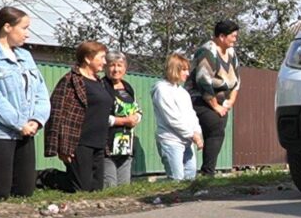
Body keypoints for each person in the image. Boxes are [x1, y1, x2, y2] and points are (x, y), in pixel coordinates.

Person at [0, 7, 51, 199]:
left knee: (24, 191)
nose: (27, 34)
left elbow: (41, 91)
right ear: (7, 27)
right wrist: (18, 123)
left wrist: (36, 120)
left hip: (25, 132)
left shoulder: (26, 56)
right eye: (24, 28)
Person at [45, 41, 115, 192]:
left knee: (96, 189)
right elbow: (57, 112)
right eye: (101, 57)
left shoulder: (100, 82)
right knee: (81, 187)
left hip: (99, 142)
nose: (105, 62)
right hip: (79, 142)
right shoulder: (71, 80)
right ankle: (46, 177)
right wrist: (61, 146)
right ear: (88, 59)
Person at [188, 19, 240, 176]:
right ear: (222, 36)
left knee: (218, 129)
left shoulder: (231, 53)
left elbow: (237, 80)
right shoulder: (207, 51)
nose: (235, 39)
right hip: (199, 99)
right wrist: (216, 106)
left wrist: (230, 101)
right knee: (215, 125)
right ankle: (207, 172)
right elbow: (203, 81)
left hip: (221, 100)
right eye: (233, 36)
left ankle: (208, 171)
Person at [152, 52, 204, 180]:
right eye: (184, 70)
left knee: (190, 175)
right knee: (176, 178)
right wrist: (192, 135)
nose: (187, 73)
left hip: (187, 140)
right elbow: (172, 118)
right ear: (174, 69)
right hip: (170, 140)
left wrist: (197, 131)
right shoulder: (161, 89)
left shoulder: (183, 92)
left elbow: (191, 114)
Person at [101, 51, 142, 187]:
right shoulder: (101, 86)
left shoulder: (128, 87)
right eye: (112, 65)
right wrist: (123, 121)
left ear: (125, 68)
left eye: (120, 65)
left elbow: (137, 109)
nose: (116, 69)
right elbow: (97, 116)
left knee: (124, 188)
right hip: (107, 146)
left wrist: (136, 117)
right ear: (105, 67)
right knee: (110, 186)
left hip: (125, 146)